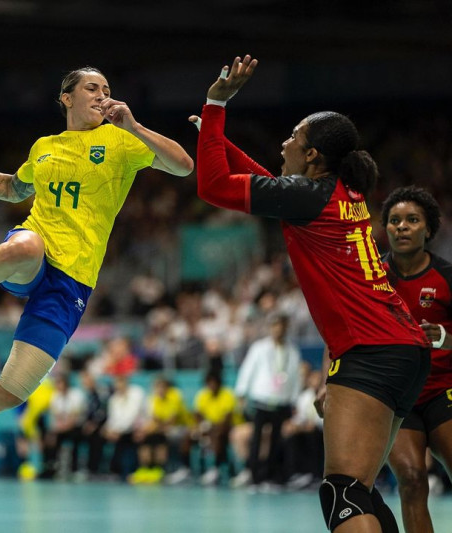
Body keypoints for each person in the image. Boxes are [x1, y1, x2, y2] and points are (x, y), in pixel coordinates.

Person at [193, 55, 429, 533]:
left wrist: (217, 103)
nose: (285, 142)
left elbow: (214, 186)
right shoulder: (340, 190)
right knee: (357, 490)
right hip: (403, 350)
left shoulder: (309, 195)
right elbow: (271, 184)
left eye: (294, 139)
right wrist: (215, 137)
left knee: (342, 491)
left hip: (373, 350)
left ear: (313, 157)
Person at [0, 67, 193, 438]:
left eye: (107, 89)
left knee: (12, 391)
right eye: (91, 88)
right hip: (35, 250)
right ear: (67, 98)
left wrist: (133, 126)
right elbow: (12, 189)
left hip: (73, 282)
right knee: (26, 246)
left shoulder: (122, 141)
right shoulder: (45, 147)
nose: (101, 95)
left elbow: (183, 166)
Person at [380, 185, 452, 533]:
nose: (402, 227)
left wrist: (445, 338)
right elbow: (341, 334)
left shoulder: (447, 277)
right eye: (394, 220)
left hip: (442, 392)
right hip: (396, 399)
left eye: (412, 220)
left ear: (428, 228)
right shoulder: (372, 278)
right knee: (410, 479)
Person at [234, 313, 302, 488]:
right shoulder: (259, 348)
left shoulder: (292, 351)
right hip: (261, 399)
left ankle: (270, 476)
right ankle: (254, 475)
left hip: (281, 401)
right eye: (275, 326)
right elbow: (248, 369)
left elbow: (296, 377)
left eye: (281, 326)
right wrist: (242, 393)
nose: (278, 330)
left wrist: (294, 400)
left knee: (276, 440)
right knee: (256, 439)